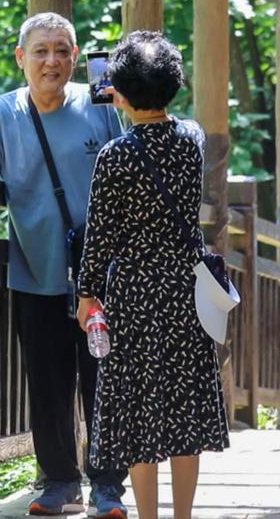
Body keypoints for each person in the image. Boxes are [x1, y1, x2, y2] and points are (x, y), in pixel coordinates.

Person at [0, 12, 128, 517]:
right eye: (41, 50)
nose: (53, 61)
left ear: (75, 56)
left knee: (103, 378)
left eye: (63, 50)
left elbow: (129, 172)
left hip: (100, 277)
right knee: (46, 380)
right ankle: (60, 480)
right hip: (33, 269)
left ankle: (108, 483)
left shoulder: (100, 106)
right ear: (21, 58)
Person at [75, 31, 229, 519]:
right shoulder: (192, 140)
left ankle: (148, 515)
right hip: (185, 288)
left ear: (118, 92)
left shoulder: (114, 157)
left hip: (134, 293)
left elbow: (99, 235)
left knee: (139, 412)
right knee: (185, 405)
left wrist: (86, 295)